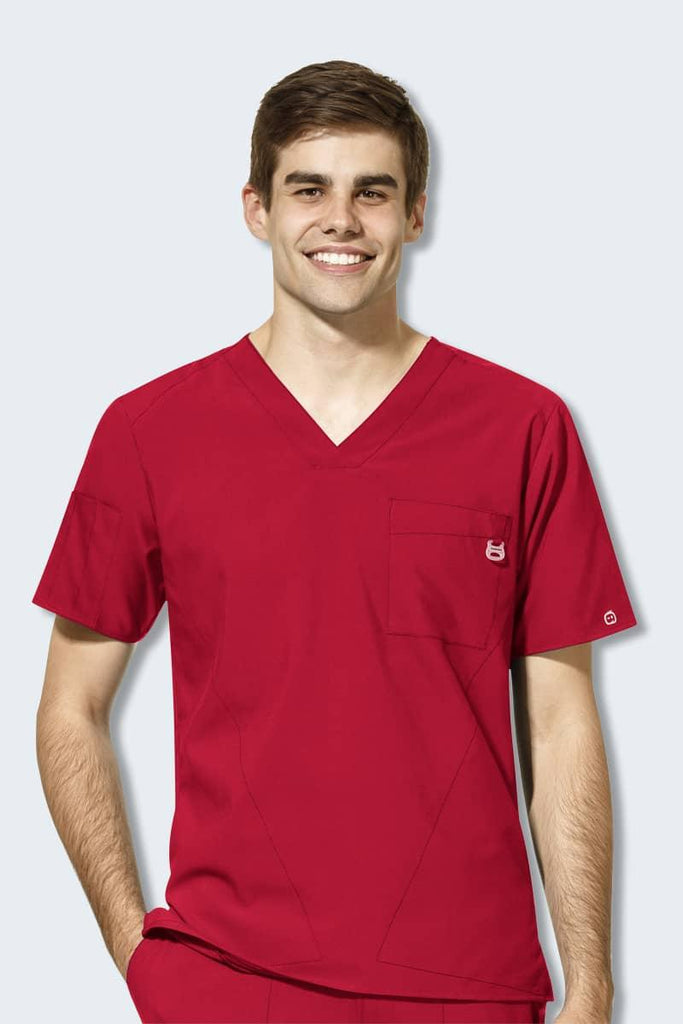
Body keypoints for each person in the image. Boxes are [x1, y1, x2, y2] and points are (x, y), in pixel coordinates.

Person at [32, 59, 637, 1024]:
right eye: (308, 189)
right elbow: (71, 706)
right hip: (225, 982)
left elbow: (563, 727)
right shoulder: (149, 431)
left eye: (373, 192)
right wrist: (138, 953)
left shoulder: (522, 428)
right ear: (257, 209)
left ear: (416, 213)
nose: (341, 221)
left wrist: (592, 988)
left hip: (467, 986)